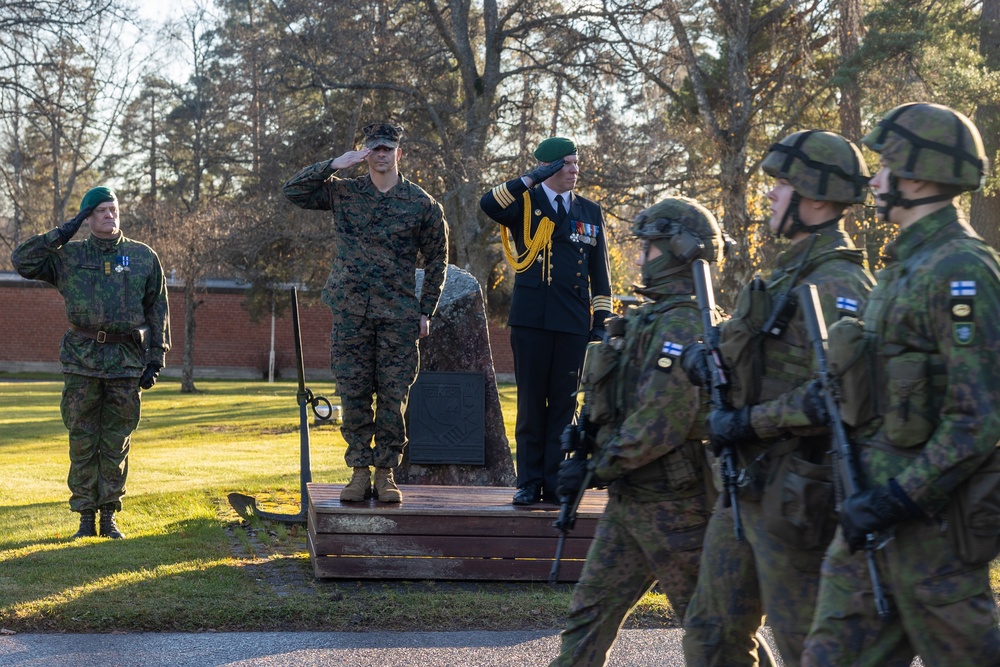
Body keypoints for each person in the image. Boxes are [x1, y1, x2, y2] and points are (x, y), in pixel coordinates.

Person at [801, 104, 1000, 666]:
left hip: (934, 537)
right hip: (868, 522)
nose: (875, 179)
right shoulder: (901, 268)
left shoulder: (961, 271)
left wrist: (897, 499)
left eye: (886, 166)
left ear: (918, 174)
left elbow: (977, 418)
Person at [681, 130, 875, 666]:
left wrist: (749, 422)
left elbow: (838, 398)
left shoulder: (842, 285)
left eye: (783, 183)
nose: (771, 194)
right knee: (711, 637)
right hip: (743, 488)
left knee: (808, 647)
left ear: (815, 196)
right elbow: (747, 350)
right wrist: (705, 357)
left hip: (798, 495)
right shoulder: (785, 272)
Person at [549, 197, 725, 666]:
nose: (641, 256)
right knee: (588, 618)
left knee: (713, 634)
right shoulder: (647, 317)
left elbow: (661, 422)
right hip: (631, 500)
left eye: (648, 247)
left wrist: (595, 468)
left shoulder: (684, 322)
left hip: (678, 506)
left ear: (679, 250)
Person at [282, 122, 449, 504]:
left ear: (398, 153)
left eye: (387, 148)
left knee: (393, 397)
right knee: (354, 393)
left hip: (398, 315)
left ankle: (386, 473)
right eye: (374, 149)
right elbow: (293, 191)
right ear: (365, 153)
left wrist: (426, 310)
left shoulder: (421, 203)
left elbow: (438, 258)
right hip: (351, 312)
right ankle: (358, 471)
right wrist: (333, 164)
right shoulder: (345, 192)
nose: (381, 155)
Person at [11, 186, 170, 540]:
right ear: (87, 217)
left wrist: (155, 358)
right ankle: (84, 516)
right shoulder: (68, 256)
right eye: (100, 210)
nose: (109, 215)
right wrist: (63, 232)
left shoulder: (142, 257)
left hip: (125, 361)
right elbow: (21, 260)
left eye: (113, 209)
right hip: (81, 360)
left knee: (116, 442)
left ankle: (109, 515)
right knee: (82, 439)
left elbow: (157, 308)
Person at [480, 137, 612, 505]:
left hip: (572, 324)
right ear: (549, 168)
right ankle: (528, 482)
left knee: (564, 407)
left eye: (575, 163)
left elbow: (601, 276)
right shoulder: (525, 203)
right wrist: (529, 179)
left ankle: (555, 484)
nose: (574, 169)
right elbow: (488, 203)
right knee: (531, 405)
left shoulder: (589, 211)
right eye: (566, 164)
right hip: (530, 322)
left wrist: (601, 321)